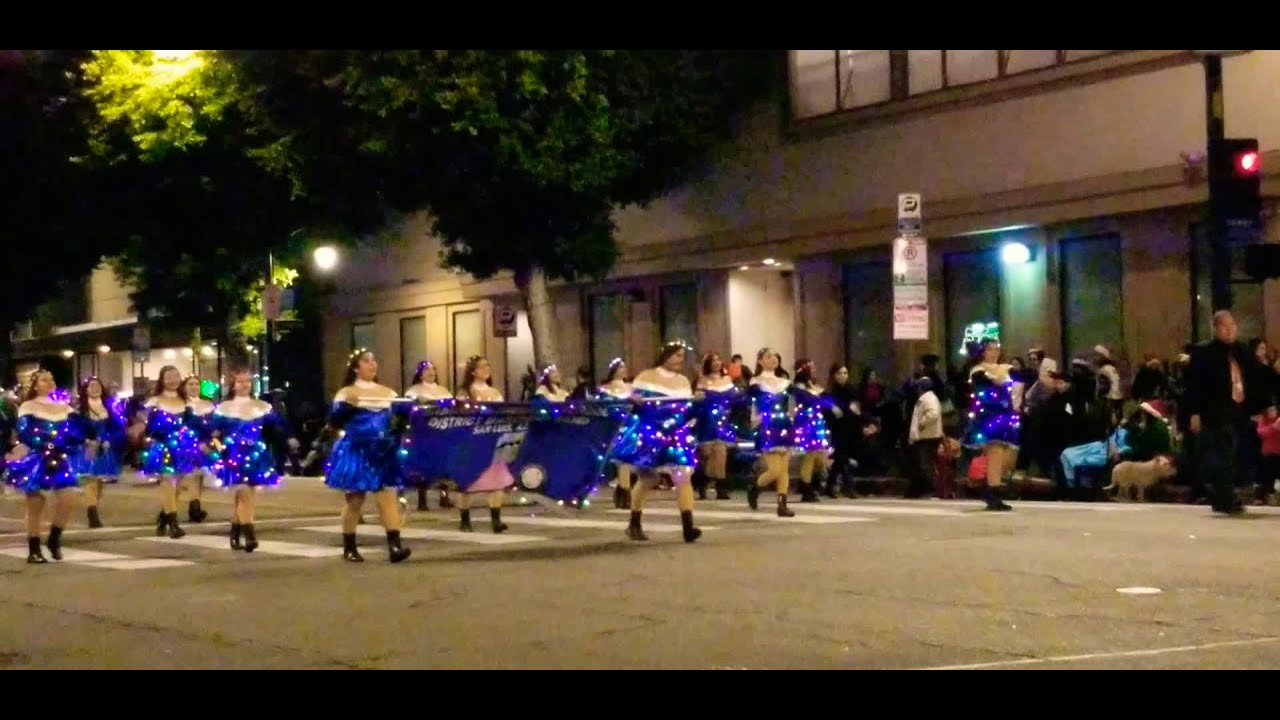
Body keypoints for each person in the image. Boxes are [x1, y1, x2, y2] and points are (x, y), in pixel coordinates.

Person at [1185, 311, 1274, 515]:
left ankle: (1221, 496)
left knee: (1232, 455)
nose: (1230, 330)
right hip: (1214, 410)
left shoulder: (1242, 351)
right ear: (1216, 329)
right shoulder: (1204, 353)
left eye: (1232, 325)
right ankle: (1226, 498)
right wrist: (1195, 412)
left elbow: (1256, 379)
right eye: (1225, 326)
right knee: (1221, 455)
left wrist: (1266, 403)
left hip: (1238, 410)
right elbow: (1195, 385)